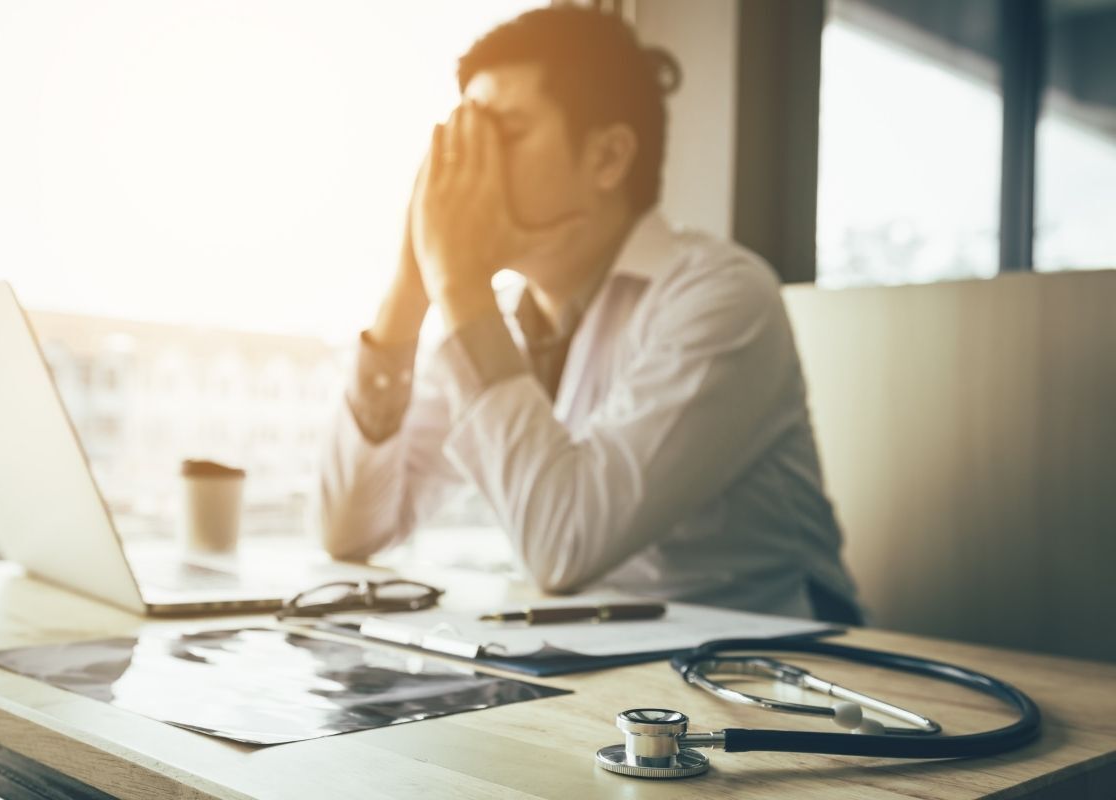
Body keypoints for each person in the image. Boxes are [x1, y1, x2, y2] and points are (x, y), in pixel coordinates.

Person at [317, 6, 861, 623]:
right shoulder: (501, 322)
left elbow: (563, 544)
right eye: (464, 137)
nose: (469, 169)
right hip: (599, 666)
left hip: (777, 673)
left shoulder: (722, 295)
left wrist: (458, 281)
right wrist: (407, 291)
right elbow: (349, 533)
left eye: (505, 134)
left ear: (608, 158)